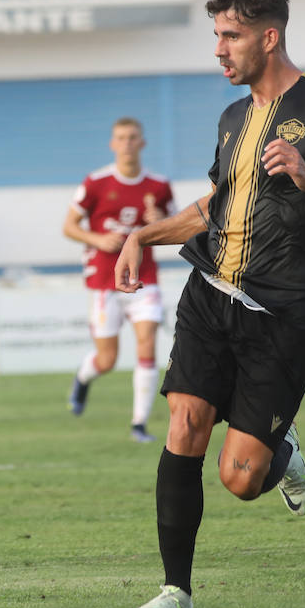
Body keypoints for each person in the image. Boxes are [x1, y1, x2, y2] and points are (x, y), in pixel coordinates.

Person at [114, 0, 305, 608]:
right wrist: (142, 236)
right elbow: (217, 204)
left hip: (282, 317)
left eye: (230, 36)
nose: (219, 49)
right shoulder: (232, 118)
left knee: (239, 478)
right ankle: (176, 592)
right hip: (210, 294)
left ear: (269, 38)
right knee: (185, 423)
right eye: (216, 35)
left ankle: (281, 453)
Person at [62, 117, 176, 443]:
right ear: (113, 144)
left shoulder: (159, 186)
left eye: (133, 137)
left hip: (143, 278)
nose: (127, 143)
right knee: (107, 359)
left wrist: (160, 221)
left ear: (143, 143)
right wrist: (98, 239)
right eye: (121, 138)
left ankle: (139, 424)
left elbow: (178, 223)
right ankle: (83, 379)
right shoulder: (96, 183)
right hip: (104, 279)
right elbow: (69, 226)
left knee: (147, 343)